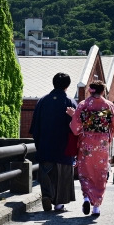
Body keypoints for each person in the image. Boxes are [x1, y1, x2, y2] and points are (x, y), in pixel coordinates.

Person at [69, 80, 114, 217]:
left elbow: (75, 128)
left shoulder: (83, 105)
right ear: (103, 91)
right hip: (102, 144)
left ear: (90, 90)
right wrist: (109, 134)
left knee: (85, 171)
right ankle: (96, 207)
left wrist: (75, 117)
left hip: (86, 142)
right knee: (100, 173)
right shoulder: (108, 105)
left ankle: (86, 197)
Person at [30, 72, 77, 212]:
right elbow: (76, 127)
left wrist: (39, 142)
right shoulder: (70, 102)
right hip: (64, 147)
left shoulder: (42, 101)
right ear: (67, 86)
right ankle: (59, 204)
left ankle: (47, 196)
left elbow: (34, 126)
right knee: (62, 176)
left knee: (46, 174)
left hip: (45, 145)